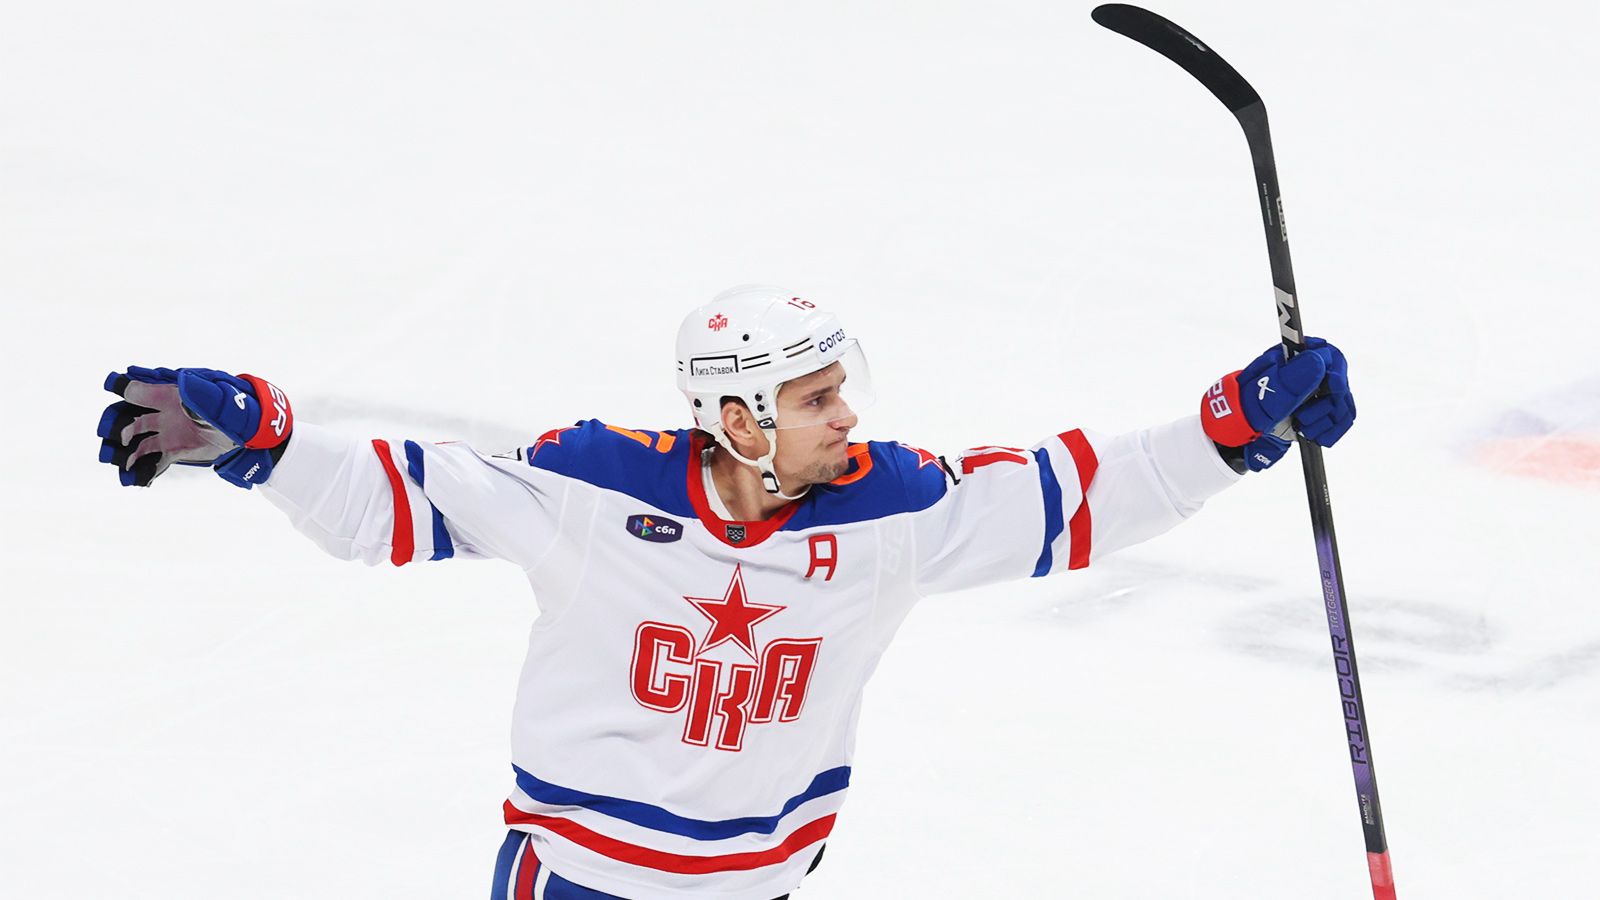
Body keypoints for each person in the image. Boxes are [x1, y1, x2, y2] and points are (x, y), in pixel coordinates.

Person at [96, 284, 1355, 899]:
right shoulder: (595, 487)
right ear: (739, 418)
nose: (847, 415)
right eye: (816, 398)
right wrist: (259, 445)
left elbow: (1068, 497)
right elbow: (401, 498)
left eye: (841, 388)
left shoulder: (889, 510)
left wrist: (1235, 423)